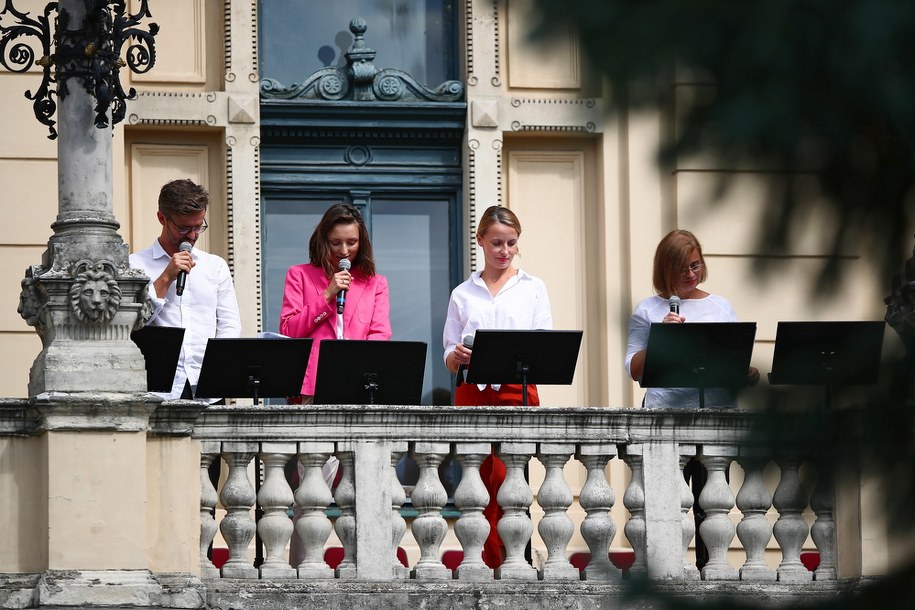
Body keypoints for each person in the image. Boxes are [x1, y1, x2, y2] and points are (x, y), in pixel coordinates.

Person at [624, 229, 758, 568]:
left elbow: (732, 360)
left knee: (711, 505)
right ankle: (666, 577)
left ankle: (709, 573)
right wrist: (662, 340)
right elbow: (634, 368)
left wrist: (746, 374)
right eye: (681, 268)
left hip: (714, 417)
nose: (690, 274)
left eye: (695, 266)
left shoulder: (719, 306)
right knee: (665, 507)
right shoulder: (648, 309)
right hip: (665, 419)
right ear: (664, 270)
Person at [443, 204, 553, 569]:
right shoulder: (462, 293)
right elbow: (447, 355)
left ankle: (512, 560)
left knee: (510, 481)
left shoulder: (533, 288)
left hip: (516, 390)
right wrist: (456, 355)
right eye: (497, 244)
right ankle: (483, 563)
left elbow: (544, 345)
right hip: (472, 392)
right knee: (477, 483)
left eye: (511, 243)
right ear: (480, 242)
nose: (504, 251)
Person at [130, 178, 242, 401]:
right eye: (183, 228)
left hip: (208, 386)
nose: (192, 236)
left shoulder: (215, 266)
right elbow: (133, 324)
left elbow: (229, 324)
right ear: (162, 218)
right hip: (159, 388)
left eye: (198, 226)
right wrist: (165, 278)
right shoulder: (134, 265)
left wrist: (218, 367)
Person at [279, 202, 392, 399]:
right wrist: (327, 296)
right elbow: (289, 330)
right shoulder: (299, 274)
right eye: (335, 242)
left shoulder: (376, 283)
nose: (344, 250)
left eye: (352, 242)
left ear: (361, 242)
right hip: (311, 386)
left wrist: (357, 363)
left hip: (359, 383)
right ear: (323, 240)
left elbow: (380, 335)